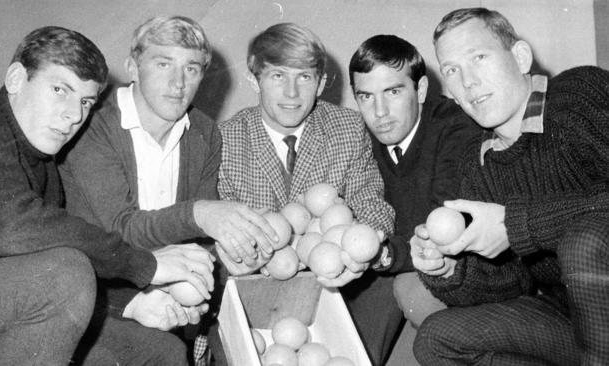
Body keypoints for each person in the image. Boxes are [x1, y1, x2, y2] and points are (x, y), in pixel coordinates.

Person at [0, 26, 215, 366]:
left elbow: (30, 275)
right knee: (63, 271)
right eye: (59, 90)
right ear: (16, 79)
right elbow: (10, 228)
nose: (74, 115)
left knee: (160, 351)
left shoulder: (45, 168)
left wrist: (131, 305)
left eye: (85, 101)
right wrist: (146, 265)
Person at [59, 16, 279, 365]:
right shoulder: (94, 125)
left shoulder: (204, 132)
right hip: (94, 296)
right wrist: (199, 213)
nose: (178, 83)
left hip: (167, 303)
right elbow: (121, 228)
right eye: (163, 64)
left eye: (192, 69)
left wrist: (230, 258)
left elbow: (201, 241)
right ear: (133, 67)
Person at [411, 7, 609, 366]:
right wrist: (450, 269)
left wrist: (516, 225)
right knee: (436, 339)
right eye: (452, 70)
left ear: (519, 57)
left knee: (585, 240)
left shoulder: (577, 97)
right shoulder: (478, 163)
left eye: (479, 58)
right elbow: (510, 282)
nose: (467, 81)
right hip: (575, 323)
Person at [217, 22, 400, 366]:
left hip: (339, 282)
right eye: (277, 76)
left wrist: (363, 245)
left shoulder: (347, 127)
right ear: (253, 79)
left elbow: (371, 200)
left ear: (321, 82)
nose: (291, 93)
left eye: (304, 77)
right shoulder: (225, 141)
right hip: (256, 290)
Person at [349, 34, 480, 329]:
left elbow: (440, 234)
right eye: (366, 97)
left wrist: (379, 253)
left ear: (420, 89)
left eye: (393, 92)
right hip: (389, 261)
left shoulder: (456, 127)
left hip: (451, 269)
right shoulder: (357, 137)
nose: (379, 112)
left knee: (412, 291)